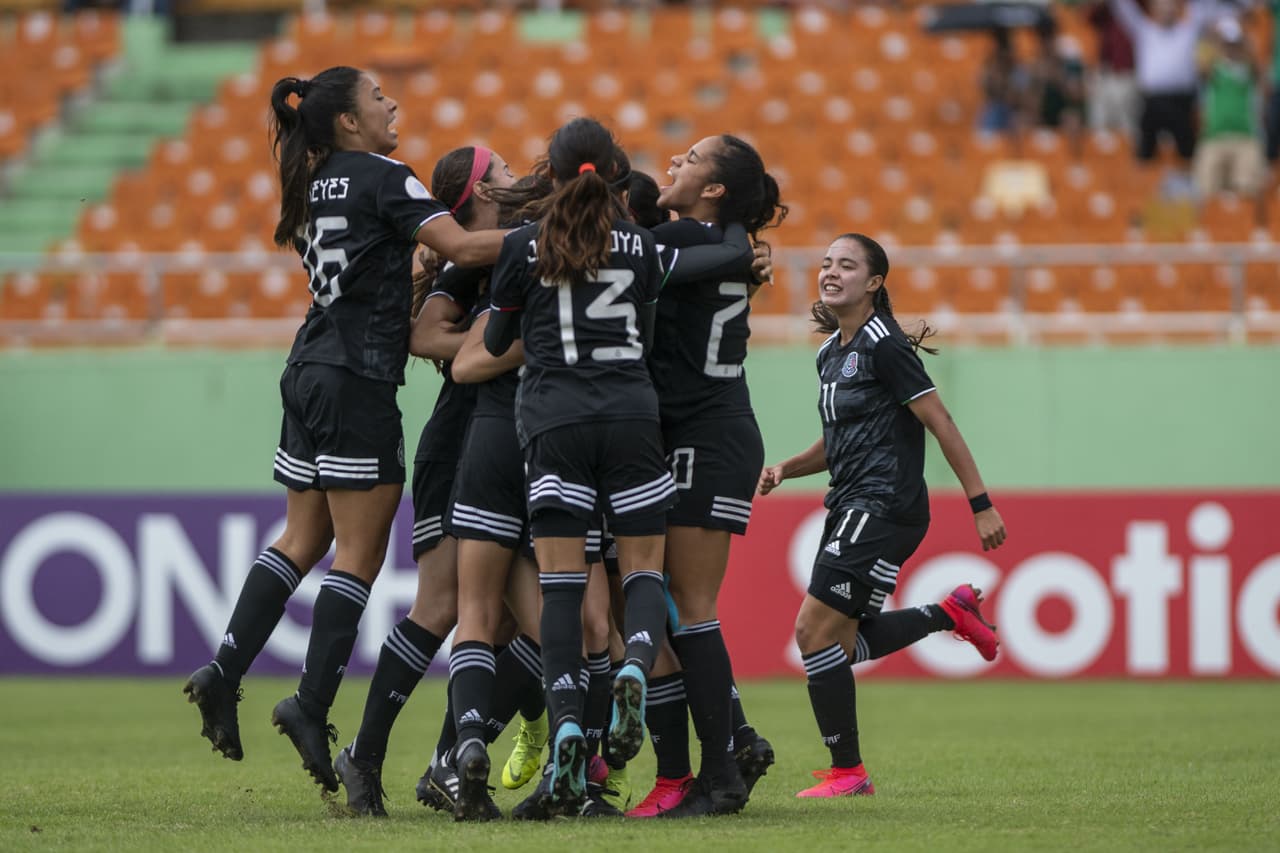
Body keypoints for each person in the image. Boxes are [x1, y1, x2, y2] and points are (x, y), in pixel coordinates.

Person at [181, 66, 505, 793]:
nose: (394, 107)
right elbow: (463, 247)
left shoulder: (310, 179)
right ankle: (311, 702)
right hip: (357, 376)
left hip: (307, 366)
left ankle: (224, 667)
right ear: (350, 122)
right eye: (379, 99)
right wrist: (553, 239)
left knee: (303, 538)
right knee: (357, 554)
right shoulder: (384, 174)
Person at [757, 233, 1007, 799]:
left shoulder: (886, 346)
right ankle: (949, 613)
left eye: (847, 265)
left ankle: (849, 773)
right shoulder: (830, 353)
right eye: (825, 263)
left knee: (811, 632)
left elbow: (940, 421)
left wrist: (980, 503)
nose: (830, 271)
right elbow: (837, 439)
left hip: (883, 503)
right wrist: (785, 469)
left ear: (873, 283)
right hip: (852, 502)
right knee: (838, 644)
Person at [328, 144, 517, 817]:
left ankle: (443, 762)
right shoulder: (473, 258)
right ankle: (367, 751)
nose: (515, 174)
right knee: (445, 607)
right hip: (462, 438)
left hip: (511, 445)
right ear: (479, 193)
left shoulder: (502, 246)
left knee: (504, 621)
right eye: (503, 170)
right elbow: (423, 335)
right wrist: (487, 348)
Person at [630, 134, 786, 819]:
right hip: (701, 429)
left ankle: (718, 776)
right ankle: (736, 742)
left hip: (706, 433)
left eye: (690, 159)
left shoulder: (675, 243)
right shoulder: (708, 239)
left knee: (688, 607)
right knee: (663, 599)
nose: (674, 163)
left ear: (715, 187)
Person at [1108, 0, 1239, 163]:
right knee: (1145, 155)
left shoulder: (1187, 31)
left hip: (1181, 101)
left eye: (1170, 5)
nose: (1166, 10)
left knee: (1187, 153)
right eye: (1162, 6)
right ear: (1153, 9)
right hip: (1152, 101)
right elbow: (1124, 9)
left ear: (1177, 8)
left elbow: (1204, 8)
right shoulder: (1144, 30)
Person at [1192, 16, 1265, 198]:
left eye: (1234, 43)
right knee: (1205, 190)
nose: (1231, 48)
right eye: (1227, 43)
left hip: (1245, 137)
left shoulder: (1249, 69)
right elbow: (1200, 65)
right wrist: (1210, 38)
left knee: (1247, 191)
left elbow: (1262, 73)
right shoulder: (1214, 68)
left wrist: (1248, 43)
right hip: (1214, 137)